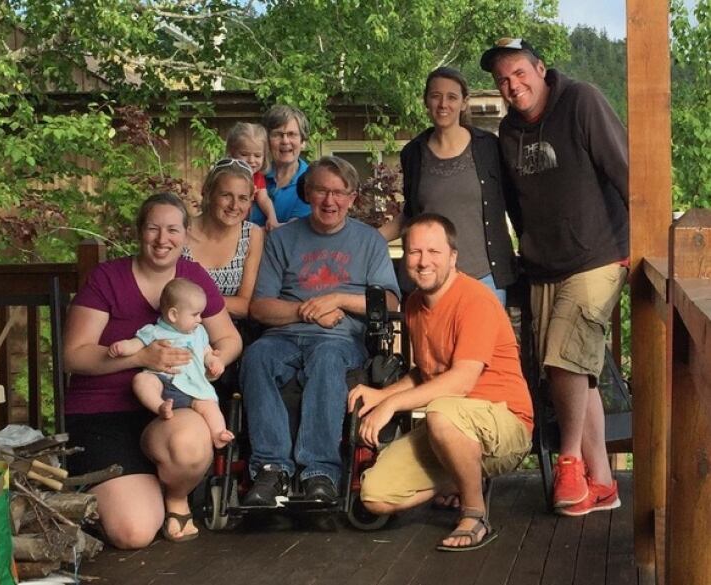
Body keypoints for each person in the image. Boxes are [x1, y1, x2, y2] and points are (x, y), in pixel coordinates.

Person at [481, 37, 629, 516]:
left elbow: (627, 170)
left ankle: (569, 461)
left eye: (520, 72)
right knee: (571, 365)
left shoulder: (581, 100)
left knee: (566, 356)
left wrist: (639, 245)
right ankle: (602, 482)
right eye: (503, 79)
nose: (512, 84)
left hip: (600, 254)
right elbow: (515, 206)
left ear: (540, 68)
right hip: (545, 264)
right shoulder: (507, 133)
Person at [63, 192, 242, 548]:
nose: (163, 239)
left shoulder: (192, 278)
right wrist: (140, 358)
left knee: (190, 444)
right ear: (139, 231)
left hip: (171, 409)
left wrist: (212, 362)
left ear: (186, 234)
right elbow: (74, 355)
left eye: (173, 229)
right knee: (133, 534)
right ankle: (130, 490)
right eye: (153, 228)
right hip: (104, 413)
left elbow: (229, 338)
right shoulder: (107, 277)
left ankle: (175, 495)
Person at [350, 213, 533, 551]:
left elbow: (461, 381)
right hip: (452, 427)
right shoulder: (416, 304)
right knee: (375, 496)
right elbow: (425, 372)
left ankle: (475, 513)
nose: (423, 262)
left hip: (504, 421)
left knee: (441, 413)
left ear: (453, 256)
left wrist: (391, 405)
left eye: (434, 252)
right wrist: (381, 394)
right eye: (415, 252)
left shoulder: (475, 299)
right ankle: (465, 477)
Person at [240, 155, 400, 506]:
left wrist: (339, 299)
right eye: (322, 191)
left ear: (352, 198)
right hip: (281, 337)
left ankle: (320, 471)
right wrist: (305, 311)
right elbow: (259, 307)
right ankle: (271, 468)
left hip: (340, 340)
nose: (331, 201)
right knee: (255, 357)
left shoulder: (369, 242)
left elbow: (389, 302)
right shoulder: (283, 239)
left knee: (328, 360)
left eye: (340, 193)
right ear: (307, 193)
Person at [378, 67, 517, 305]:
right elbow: (412, 214)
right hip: (431, 278)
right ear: (426, 101)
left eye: (452, 97)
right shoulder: (413, 153)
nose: (443, 104)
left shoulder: (488, 147)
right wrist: (365, 240)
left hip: (484, 278)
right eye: (435, 96)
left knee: (481, 343)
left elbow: (515, 201)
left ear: (464, 103)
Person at [107, 278, 234, 449]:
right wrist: (122, 347)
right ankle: (159, 406)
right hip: (163, 381)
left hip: (193, 387)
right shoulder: (154, 331)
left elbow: (207, 352)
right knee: (142, 381)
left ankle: (218, 433)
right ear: (173, 315)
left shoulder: (199, 333)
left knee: (209, 406)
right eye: (195, 314)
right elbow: (136, 344)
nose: (200, 319)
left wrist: (214, 362)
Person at [184, 158, 264, 320]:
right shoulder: (181, 231)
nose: (234, 206)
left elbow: (243, 306)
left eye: (243, 198)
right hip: (179, 329)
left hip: (230, 331)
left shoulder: (251, 235)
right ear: (207, 192)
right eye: (226, 195)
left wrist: (190, 302)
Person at [249, 105, 311, 226]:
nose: (285, 141)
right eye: (277, 134)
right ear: (266, 141)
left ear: (303, 142)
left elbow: (295, 232)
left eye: (292, 134)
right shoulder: (252, 173)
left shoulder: (311, 181)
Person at [225, 122, 279, 231]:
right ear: (232, 153)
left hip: (244, 228)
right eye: (244, 154)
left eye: (257, 155)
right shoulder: (224, 175)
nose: (251, 161)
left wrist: (272, 217)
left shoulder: (257, 176)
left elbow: (263, 199)